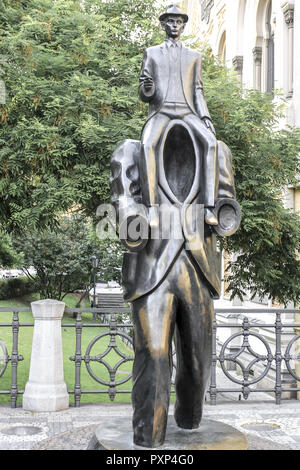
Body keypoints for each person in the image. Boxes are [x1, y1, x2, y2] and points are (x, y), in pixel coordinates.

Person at [139, 4, 219, 228]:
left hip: (187, 111)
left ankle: (210, 208)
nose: (174, 25)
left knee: (211, 143)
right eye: (171, 22)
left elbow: (198, 91)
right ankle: (152, 209)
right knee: (147, 146)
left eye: (178, 22)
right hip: (161, 111)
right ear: (164, 24)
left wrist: (205, 118)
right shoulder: (152, 53)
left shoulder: (194, 57)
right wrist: (147, 88)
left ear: (183, 26)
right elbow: (144, 94)